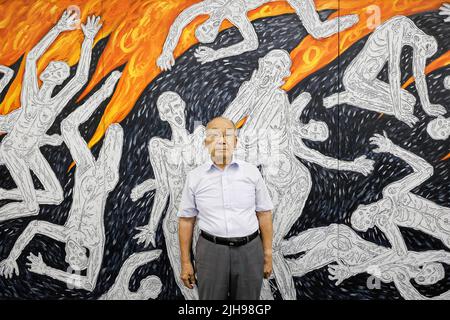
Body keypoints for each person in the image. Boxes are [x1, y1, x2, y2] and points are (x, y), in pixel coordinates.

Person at [223, 49, 374, 300]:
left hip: (295, 185)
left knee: (270, 247)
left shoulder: (285, 118)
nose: (312, 131)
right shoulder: (262, 96)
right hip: (270, 183)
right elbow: (230, 122)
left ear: (282, 77)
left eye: (316, 134)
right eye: (315, 128)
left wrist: (351, 166)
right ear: (262, 65)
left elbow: (319, 157)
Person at [0, 72, 123, 291]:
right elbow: (88, 284)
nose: (74, 251)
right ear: (84, 251)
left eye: (70, 255)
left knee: (68, 126)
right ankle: (105, 92)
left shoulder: (64, 234)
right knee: (111, 129)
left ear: (66, 251)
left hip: (85, 174)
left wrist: (14, 258)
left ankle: (105, 92)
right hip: (104, 179)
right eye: (79, 255)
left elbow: (33, 227)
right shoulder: (94, 240)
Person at [0, 10, 102, 221]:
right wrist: (58, 29)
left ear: (60, 81)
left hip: (29, 152)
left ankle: (6, 194)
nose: (55, 73)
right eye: (53, 69)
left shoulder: (55, 104)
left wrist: (88, 40)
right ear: (44, 73)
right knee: (31, 207)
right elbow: (31, 58)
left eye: (60, 73)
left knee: (56, 196)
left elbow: (81, 79)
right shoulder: (30, 95)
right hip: (13, 149)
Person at [177, 116, 274, 300]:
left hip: (250, 250)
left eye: (227, 135)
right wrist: (185, 262)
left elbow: (264, 214)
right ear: (206, 142)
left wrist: (268, 254)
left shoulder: (251, 172)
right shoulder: (195, 177)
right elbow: (186, 220)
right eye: (214, 135)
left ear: (235, 142)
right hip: (210, 252)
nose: (221, 140)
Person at [131, 91, 207, 300]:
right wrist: (151, 226)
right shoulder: (159, 146)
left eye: (175, 105)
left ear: (183, 104)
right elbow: (164, 188)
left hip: (202, 216)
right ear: (163, 116)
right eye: (167, 110)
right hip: (174, 218)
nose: (174, 112)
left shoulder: (199, 135)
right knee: (184, 276)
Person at [157, 0, 358, 70]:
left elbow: (181, 20)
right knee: (317, 30)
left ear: (201, 23)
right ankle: (354, 19)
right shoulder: (236, 15)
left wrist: (167, 50)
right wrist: (216, 54)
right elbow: (251, 43)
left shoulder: (209, 5)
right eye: (211, 34)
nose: (210, 28)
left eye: (204, 29)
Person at [323, 16, 446, 127]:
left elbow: (419, 75)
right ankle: (348, 97)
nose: (419, 50)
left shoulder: (418, 42)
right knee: (404, 108)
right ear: (428, 37)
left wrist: (427, 106)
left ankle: (356, 95)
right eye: (424, 46)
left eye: (422, 51)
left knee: (411, 101)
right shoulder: (399, 26)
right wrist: (398, 113)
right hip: (355, 80)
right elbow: (393, 70)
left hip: (369, 81)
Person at [281, 224, 450, 300]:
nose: (428, 276)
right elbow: (440, 254)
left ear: (430, 284)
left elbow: (415, 297)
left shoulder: (405, 269)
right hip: (343, 246)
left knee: (286, 251)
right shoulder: (404, 268)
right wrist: (352, 270)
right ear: (426, 265)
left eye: (432, 278)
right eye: (431, 271)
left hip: (342, 237)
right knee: (293, 264)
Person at [350, 132, 450, 255]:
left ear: (362, 206)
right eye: (365, 221)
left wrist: (393, 149)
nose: (367, 215)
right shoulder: (384, 222)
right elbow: (401, 252)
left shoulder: (392, 192)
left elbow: (426, 170)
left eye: (361, 213)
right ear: (371, 224)